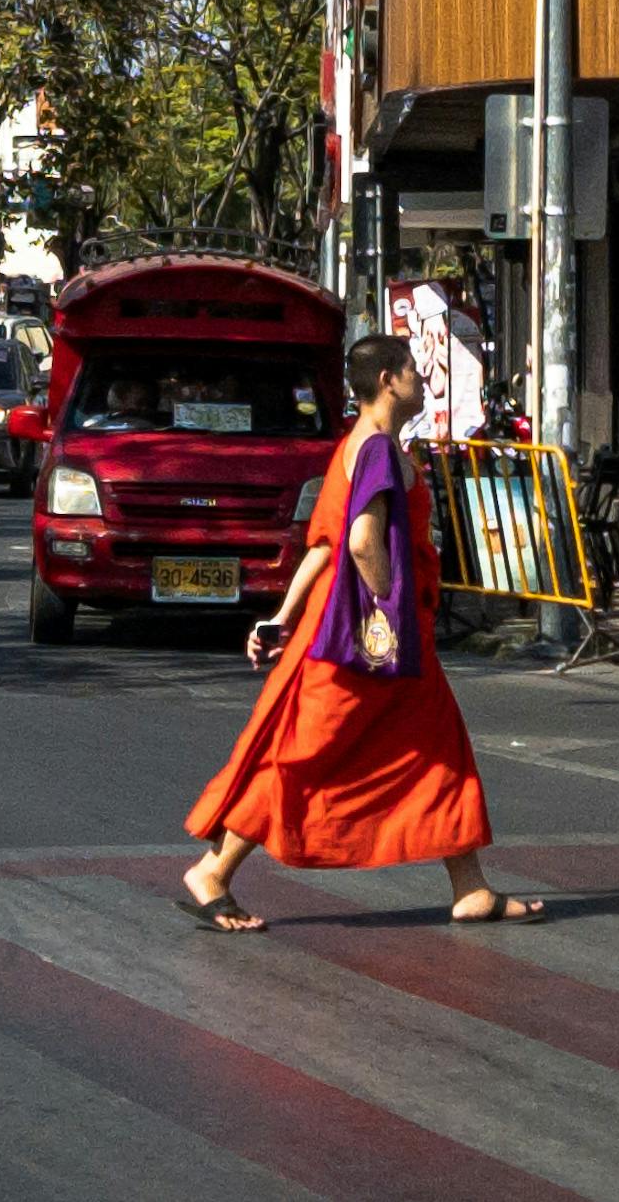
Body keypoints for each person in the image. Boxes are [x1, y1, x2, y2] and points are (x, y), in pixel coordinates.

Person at [179, 335, 539, 935]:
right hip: (362, 644)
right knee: (303, 755)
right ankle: (212, 871)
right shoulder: (373, 450)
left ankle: (471, 887)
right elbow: (359, 542)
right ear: (388, 381)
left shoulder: (367, 446)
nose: (421, 379)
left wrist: (283, 616)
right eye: (412, 370)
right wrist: (384, 613)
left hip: (365, 637)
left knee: (439, 748)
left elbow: (321, 544)